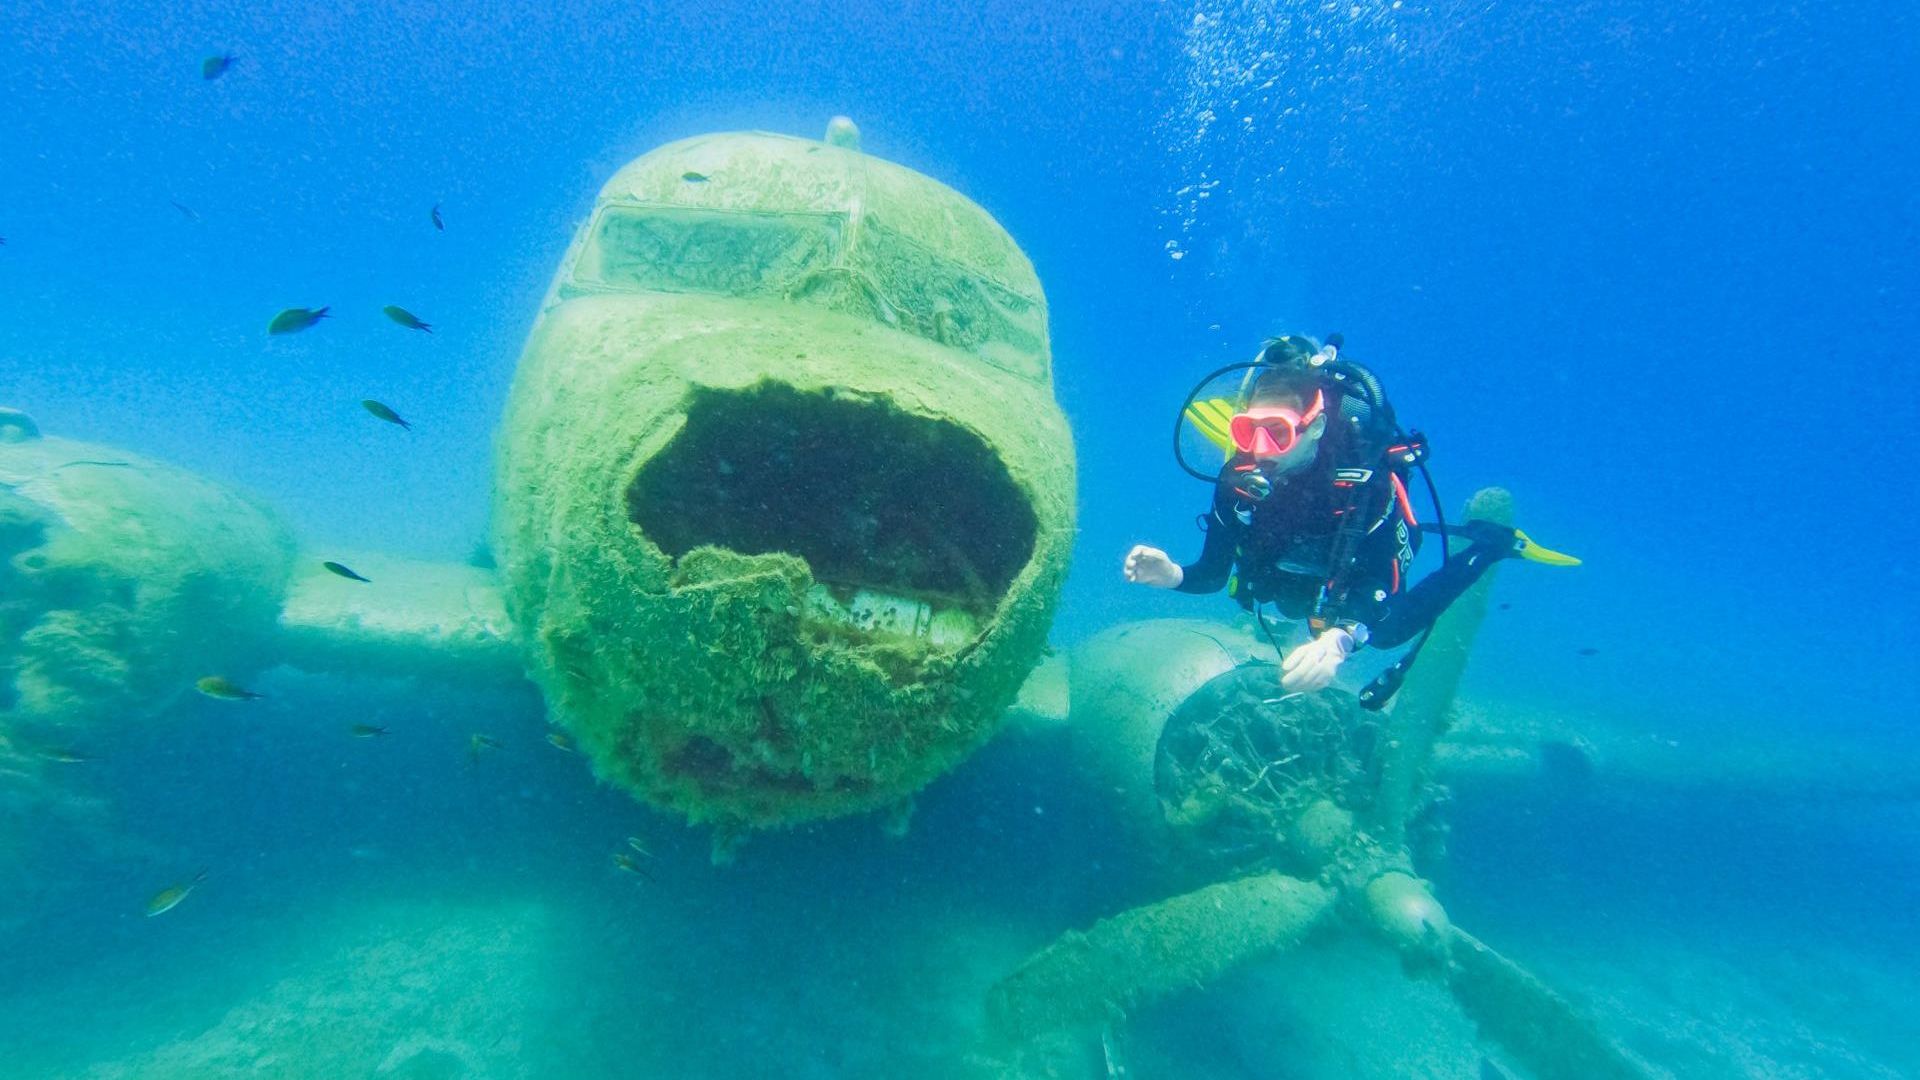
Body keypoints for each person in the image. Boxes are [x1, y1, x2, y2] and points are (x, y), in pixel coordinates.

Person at [1124, 334, 1575, 702]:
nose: (1259, 449)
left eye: (1277, 432)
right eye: (1247, 431)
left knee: (1388, 631)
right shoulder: (1237, 479)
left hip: (1358, 565)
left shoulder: (1363, 483)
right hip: (1289, 572)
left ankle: (1491, 546)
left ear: (1315, 425)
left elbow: (1382, 589)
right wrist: (1173, 575)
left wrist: (1339, 640)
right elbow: (1212, 575)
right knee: (1282, 601)